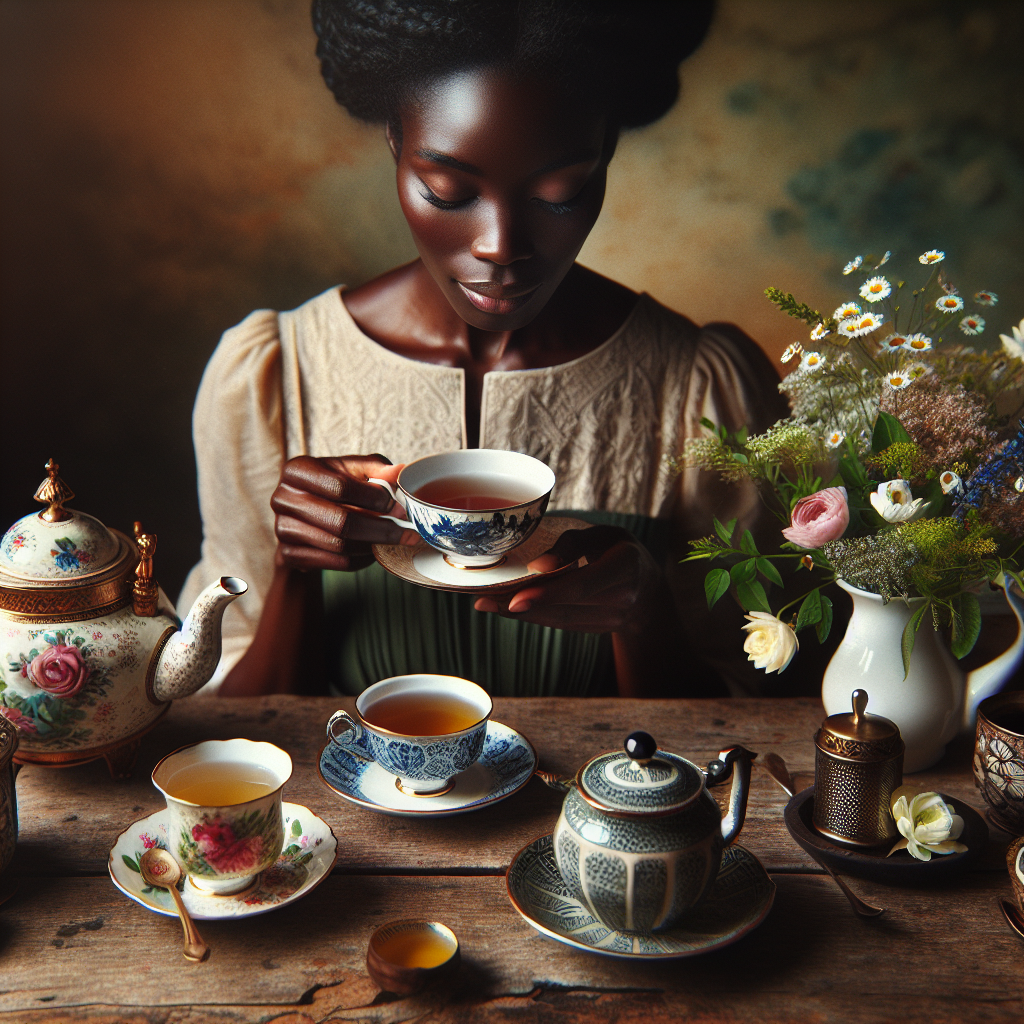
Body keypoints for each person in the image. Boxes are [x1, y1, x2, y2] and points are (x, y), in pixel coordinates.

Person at [178, 0, 788, 699]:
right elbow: (235, 726)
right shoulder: (274, 375)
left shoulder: (700, 388)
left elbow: (758, 714)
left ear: (609, 150)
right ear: (392, 141)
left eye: (561, 193)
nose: (501, 245)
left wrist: (645, 613)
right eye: (448, 190)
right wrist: (294, 569)